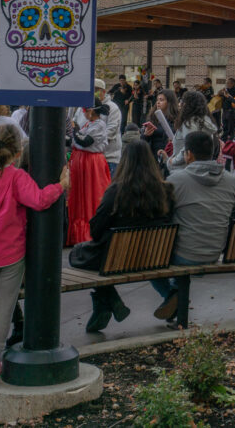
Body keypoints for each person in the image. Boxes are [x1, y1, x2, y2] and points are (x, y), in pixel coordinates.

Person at [0, 124, 68, 383]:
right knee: (4, 308)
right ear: (18, 151)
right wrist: (61, 185)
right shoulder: (17, 177)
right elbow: (40, 200)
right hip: (12, 252)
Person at [77, 140, 174, 332]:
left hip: (118, 258)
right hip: (154, 255)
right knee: (143, 257)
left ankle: (109, 299)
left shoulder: (116, 191)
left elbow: (96, 229)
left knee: (78, 254)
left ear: (124, 162)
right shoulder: (165, 190)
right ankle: (170, 294)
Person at [152, 131, 235, 322]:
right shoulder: (231, 181)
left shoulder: (176, 180)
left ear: (188, 154)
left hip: (186, 254)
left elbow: (161, 216)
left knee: (148, 255)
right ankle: (174, 298)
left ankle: (171, 295)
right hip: (215, 250)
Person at [67, 100, 112, 245]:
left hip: (91, 163)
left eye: (84, 110)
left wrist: (73, 130)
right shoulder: (90, 124)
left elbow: (85, 141)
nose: (83, 113)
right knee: (81, 195)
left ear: (91, 111)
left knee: (89, 194)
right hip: (83, 161)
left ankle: (87, 231)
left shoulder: (99, 125)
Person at [75, 79, 122, 176]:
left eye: (96, 90)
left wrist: (91, 142)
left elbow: (111, 131)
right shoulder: (82, 108)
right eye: (90, 90)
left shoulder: (113, 108)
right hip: (85, 157)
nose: (92, 93)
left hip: (108, 158)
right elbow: (76, 124)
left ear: (103, 92)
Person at [141, 88, 178, 161]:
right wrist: (145, 135)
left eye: (161, 100)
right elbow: (143, 141)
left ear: (169, 102)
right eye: (157, 100)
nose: (158, 102)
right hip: (154, 157)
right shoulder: (153, 117)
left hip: (170, 157)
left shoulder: (177, 118)